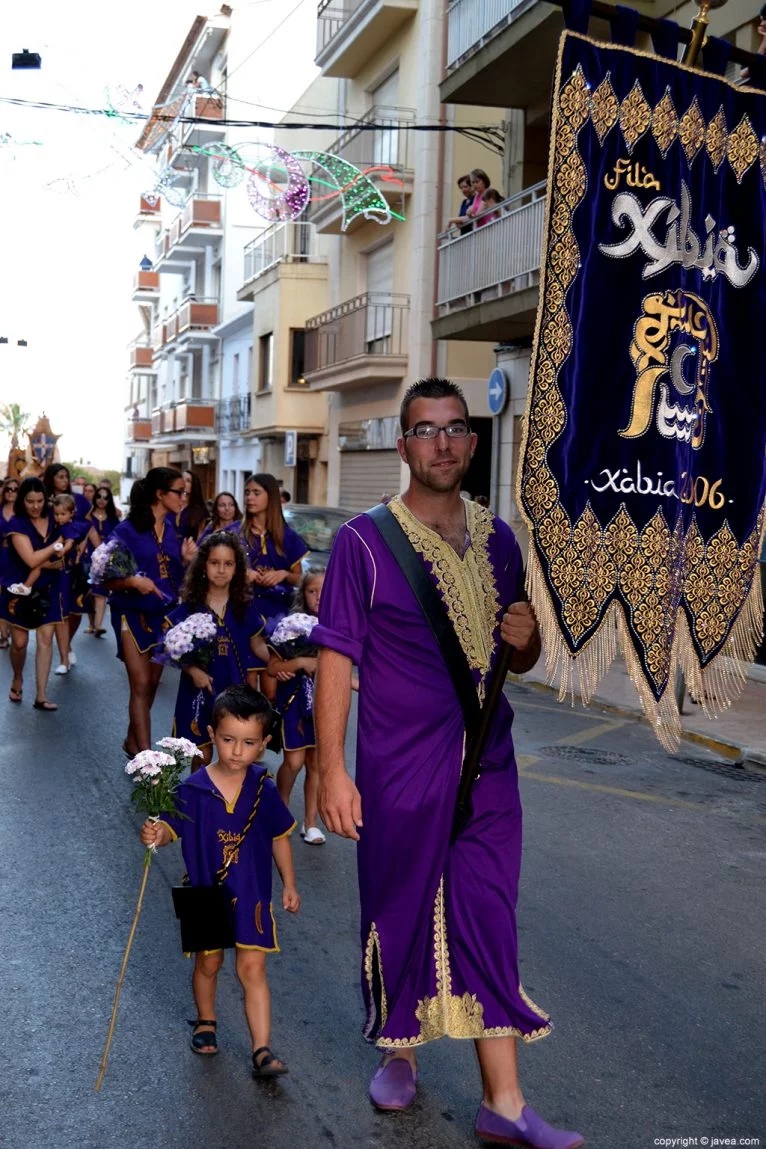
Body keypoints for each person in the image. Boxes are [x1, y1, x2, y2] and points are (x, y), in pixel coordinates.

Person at [313, 378, 583, 1149]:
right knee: (400, 906)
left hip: (490, 765)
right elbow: (336, 656)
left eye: (454, 428)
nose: (441, 442)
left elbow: (518, 659)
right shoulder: (364, 543)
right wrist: (332, 768)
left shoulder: (502, 539)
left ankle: (504, 1102)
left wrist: (526, 636)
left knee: (487, 918)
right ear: (403, 446)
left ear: (470, 442)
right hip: (399, 768)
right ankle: (398, 1048)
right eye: (425, 429)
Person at [140, 684, 300, 1073]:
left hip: (252, 894)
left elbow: (279, 837)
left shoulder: (264, 789)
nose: (236, 751)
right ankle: (206, 1019)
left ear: (262, 744)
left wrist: (290, 883)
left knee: (252, 969)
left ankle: (261, 1049)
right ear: (212, 735)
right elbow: (170, 830)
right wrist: (155, 833)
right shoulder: (192, 789)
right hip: (205, 893)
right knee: (208, 963)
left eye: (247, 743)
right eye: (228, 740)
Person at [106, 468, 196, 755]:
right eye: (179, 492)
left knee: (153, 683)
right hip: (130, 613)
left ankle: (131, 741)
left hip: (164, 616)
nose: (184, 497)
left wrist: (185, 561)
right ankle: (146, 760)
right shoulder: (127, 530)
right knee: (141, 682)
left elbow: (177, 579)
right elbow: (105, 578)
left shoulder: (173, 531)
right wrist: (133, 581)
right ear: (160, 494)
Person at [164, 532, 272, 766]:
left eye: (228, 564)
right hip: (200, 691)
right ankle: (199, 799)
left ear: (237, 569)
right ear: (203, 566)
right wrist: (193, 671)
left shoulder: (243, 606)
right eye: (215, 563)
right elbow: (171, 645)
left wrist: (280, 661)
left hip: (234, 690)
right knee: (201, 754)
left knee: (233, 754)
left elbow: (258, 644)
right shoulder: (192, 606)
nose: (221, 570)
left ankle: (227, 801)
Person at [1, 477, 69, 711]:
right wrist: (55, 546)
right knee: (19, 643)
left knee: (45, 638)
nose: (35, 506)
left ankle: (41, 695)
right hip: (20, 587)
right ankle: (18, 677)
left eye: (40, 501)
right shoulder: (16, 524)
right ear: (23, 500)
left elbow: (68, 550)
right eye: (30, 501)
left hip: (49, 586)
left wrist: (58, 555)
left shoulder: (55, 520)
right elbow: (30, 559)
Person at [269, 571, 325, 845]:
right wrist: (300, 663)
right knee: (294, 760)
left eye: (324, 591)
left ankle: (311, 823)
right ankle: (279, 811)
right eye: (312, 591)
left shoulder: (339, 625)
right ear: (303, 594)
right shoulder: (291, 626)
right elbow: (273, 667)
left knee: (316, 763)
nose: (318, 597)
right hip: (294, 702)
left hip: (323, 705)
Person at [236, 473, 308, 633]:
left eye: (256, 493)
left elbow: (300, 580)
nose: (249, 498)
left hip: (279, 615)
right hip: (241, 611)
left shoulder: (289, 537)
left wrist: (283, 574)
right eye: (247, 493)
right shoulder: (234, 533)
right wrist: (242, 574)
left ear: (271, 497)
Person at [85, 485, 121, 636]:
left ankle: (98, 626)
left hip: (105, 559)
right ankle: (92, 624)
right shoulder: (88, 516)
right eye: (99, 496)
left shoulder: (113, 518)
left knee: (101, 592)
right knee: (89, 594)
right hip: (88, 559)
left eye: (106, 498)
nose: (102, 500)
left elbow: (119, 537)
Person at [0, 477, 20, 650]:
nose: (11, 492)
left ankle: (15, 632)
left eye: (15, 489)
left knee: (13, 595)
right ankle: (3, 635)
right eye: (8, 489)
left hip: (17, 559)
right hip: (1, 555)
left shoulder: (23, 513)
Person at [177, 470, 210, 542]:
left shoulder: (200, 511)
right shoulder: (170, 503)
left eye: (188, 481)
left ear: (194, 485)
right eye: (182, 479)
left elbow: (201, 537)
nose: (183, 482)